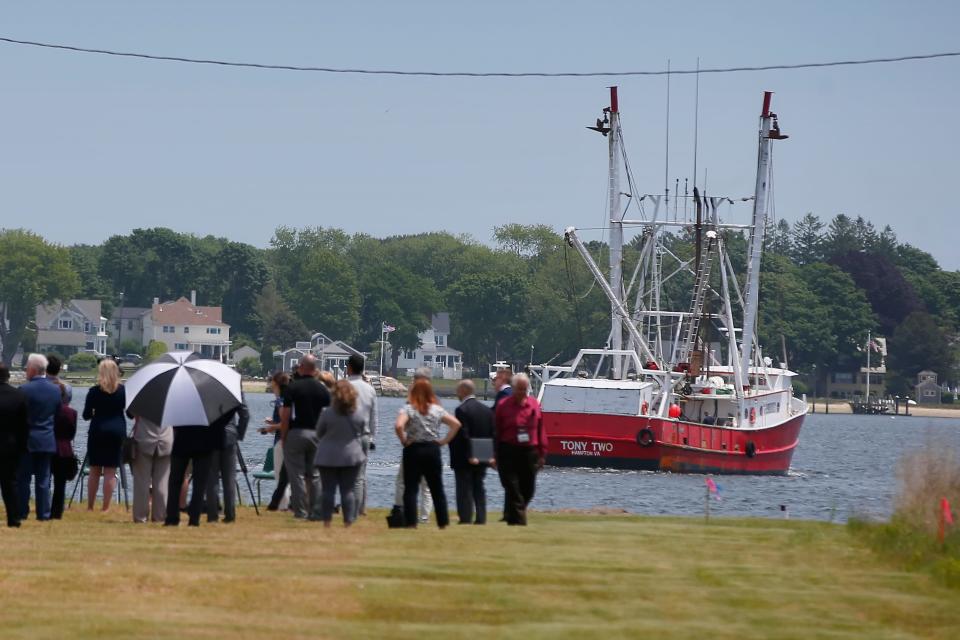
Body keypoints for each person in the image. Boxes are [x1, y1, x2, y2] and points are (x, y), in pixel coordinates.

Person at [394, 378, 461, 528]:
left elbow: (398, 425)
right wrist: (444, 441)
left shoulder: (409, 409)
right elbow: (456, 424)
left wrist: (404, 440)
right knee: (436, 488)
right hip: (432, 449)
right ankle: (442, 522)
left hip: (413, 449)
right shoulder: (436, 409)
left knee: (411, 488)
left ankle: (411, 522)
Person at [280, 354, 330, 519]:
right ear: (315, 369)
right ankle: (315, 511)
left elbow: (286, 415)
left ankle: (300, 511)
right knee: (315, 475)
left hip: (297, 433)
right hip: (317, 435)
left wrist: (284, 436)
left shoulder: (292, 389)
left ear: (301, 367)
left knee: (297, 475)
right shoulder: (323, 390)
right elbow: (328, 415)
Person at [494, 373, 548, 526]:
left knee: (528, 489)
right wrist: (495, 454)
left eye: (524, 390)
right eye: (519, 389)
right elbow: (496, 430)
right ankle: (519, 521)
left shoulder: (534, 405)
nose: (522, 393)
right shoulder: (503, 405)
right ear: (513, 388)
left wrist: (543, 452)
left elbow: (540, 429)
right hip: (508, 450)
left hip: (529, 451)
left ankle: (513, 515)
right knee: (511, 486)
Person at [164, 409, 232, 527]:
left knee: (175, 481)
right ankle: (194, 519)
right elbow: (231, 410)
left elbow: (173, 415)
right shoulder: (212, 395)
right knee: (199, 484)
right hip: (205, 439)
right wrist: (217, 426)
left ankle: (172, 517)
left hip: (183, 438)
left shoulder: (182, 395)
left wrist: (177, 427)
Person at [314, 380, 367, 527]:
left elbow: (319, 433)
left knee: (328, 490)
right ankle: (348, 521)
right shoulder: (358, 414)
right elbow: (362, 431)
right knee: (348, 490)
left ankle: (327, 522)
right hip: (352, 455)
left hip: (328, 456)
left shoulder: (327, 413)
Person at [17, 353, 61, 521]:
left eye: (27, 368)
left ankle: (22, 511)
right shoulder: (55, 390)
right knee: (43, 480)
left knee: (23, 480)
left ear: (33, 370)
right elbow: (57, 415)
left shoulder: (24, 390)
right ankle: (43, 513)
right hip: (47, 439)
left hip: (27, 440)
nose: (26, 371)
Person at [82, 359, 127, 512]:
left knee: (94, 470)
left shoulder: (94, 392)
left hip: (98, 431)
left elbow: (86, 415)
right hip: (117, 432)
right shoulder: (123, 391)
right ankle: (106, 507)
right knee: (110, 471)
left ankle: (90, 506)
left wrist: (95, 412)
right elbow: (131, 413)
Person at [451, 379, 495, 525]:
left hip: (465, 457)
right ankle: (481, 518)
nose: (456, 393)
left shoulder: (462, 410)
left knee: (464, 489)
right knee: (479, 488)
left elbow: (464, 434)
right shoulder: (487, 410)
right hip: (483, 455)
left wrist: (470, 454)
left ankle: (465, 518)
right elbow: (492, 433)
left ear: (464, 391)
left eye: (458, 390)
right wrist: (491, 455)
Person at [205, 394, 249, 523]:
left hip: (210, 436)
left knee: (211, 479)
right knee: (229, 478)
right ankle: (230, 514)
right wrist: (238, 434)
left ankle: (212, 515)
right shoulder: (234, 388)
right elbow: (245, 414)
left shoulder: (204, 386)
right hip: (230, 436)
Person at [346, 354, 377, 517]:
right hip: (364, 435)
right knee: (360, 475)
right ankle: (361, 508)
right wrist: (372, 437)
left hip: (346, 435)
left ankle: (351, 508)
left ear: (349, 368)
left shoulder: (343, 386)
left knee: (344, 474)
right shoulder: (370, 389)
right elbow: (373, 417)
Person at [0, 362, 28, 527]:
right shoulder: (19, 396)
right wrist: (23, 447)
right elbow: (25, 425)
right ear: (8, 377)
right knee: (10, 484)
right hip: (11, 446)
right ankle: (14, 518)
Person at [130, 415, 173, 523]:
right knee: (162, 482)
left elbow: (130, 414)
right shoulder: (171, 398)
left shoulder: (140, 398)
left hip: (144, 438)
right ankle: (160, 516)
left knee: (141, 482)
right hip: (166, 439)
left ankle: (140, 517)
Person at [261, 371, 290, 511]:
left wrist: (269, 428)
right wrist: (273, 421)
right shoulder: (289, 398)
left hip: (281, 441)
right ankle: (287, 503)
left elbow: (284, 422)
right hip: (290, 441)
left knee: (280, 475)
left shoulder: (280, 401)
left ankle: (283, 505)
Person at [50, 381, 77, 520]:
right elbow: (72, 433)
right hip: (65, 448)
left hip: (48, 446)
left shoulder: (47, 409)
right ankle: (57, 511)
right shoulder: (71, 412)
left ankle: (44, 506)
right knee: (60, 484)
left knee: (44, 481)